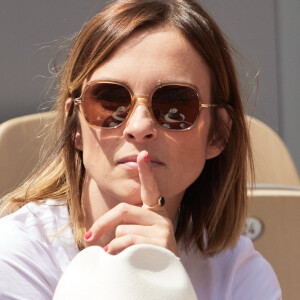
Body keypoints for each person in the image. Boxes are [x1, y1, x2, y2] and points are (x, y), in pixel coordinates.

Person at [0, 0, 281, 299]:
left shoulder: (241, 272)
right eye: (110, 101)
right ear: (75, 127)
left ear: (218, 134)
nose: (138, 126)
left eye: (174, 107)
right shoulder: (15, 256)